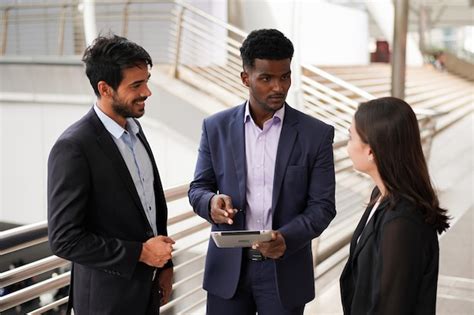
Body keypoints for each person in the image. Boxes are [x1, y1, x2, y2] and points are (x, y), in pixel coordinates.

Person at [188, 29, 336, 315]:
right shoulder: (215, 127)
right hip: (228, 270)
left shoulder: (315, 135)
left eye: (285, 76)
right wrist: (211, 204)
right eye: (266, 78)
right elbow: (198, 188)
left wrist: (286, 239)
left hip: (285, 270)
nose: (278, 87)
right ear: (246, 78)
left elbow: (323, 207)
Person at [47, 35, 174, 315]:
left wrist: (164, 266)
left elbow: (150, 208)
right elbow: (64, 238)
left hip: (147, 291)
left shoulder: (136, 132)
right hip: (105, 303)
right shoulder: (73, 147)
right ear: (105, 89)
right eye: (137, 85)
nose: (147, 92)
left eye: (147, 80)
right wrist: (141, 253)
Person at [339, 97, 450, 314]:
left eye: (351, 137)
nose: (348, 146)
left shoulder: (402, 222)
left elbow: (392, 305)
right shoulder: (380, 196)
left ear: (371, 151)